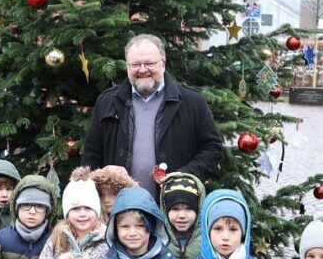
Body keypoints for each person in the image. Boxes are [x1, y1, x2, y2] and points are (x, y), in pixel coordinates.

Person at [82, 34, 223, 197]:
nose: (142, 70)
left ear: (163, 64)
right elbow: (91, 155)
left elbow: (212, 149)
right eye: (135, 64)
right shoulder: (107, 102)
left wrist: (185, 176)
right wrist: (104, 174)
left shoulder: (192, 101)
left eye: (149, 63)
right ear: (127, 66)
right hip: (120, 209)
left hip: (174, 207)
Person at [159, 172, 205, 259]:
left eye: (188, 209)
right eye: (175, 209)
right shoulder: (159, 241)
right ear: (165, 211)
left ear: (199, 211)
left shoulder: (208, 242)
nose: (182, 215)